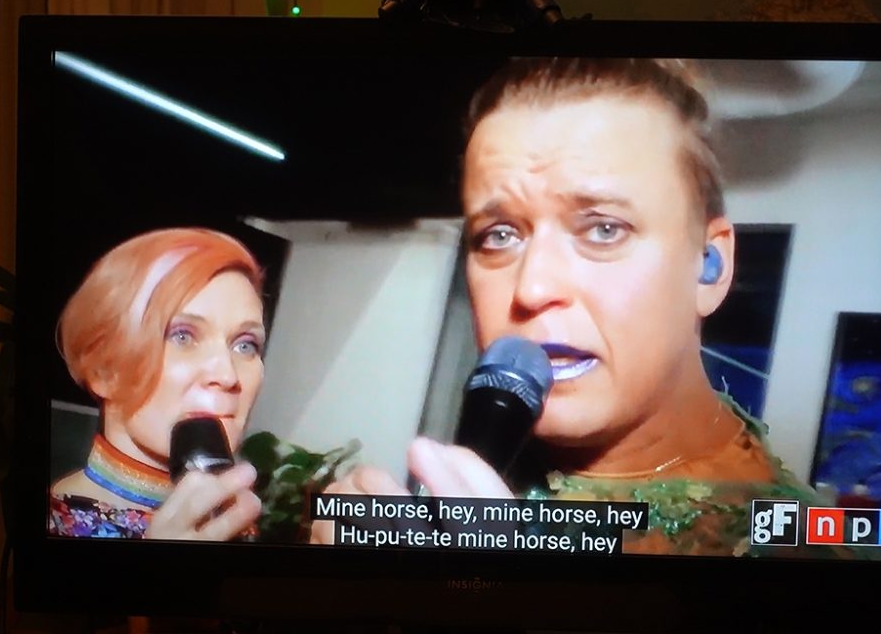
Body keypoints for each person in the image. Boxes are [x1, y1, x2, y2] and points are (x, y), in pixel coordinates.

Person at [312, 58, 821, 556]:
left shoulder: (798, 553)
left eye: (604, 229)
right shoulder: (494, 453)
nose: (532, 289)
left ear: (709, 265)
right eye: (499, 235)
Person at [49, 227, 266, 540]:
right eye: (182, 336)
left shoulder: (235, 518)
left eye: (245, 345)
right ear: (104, 370)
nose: (227, 375)